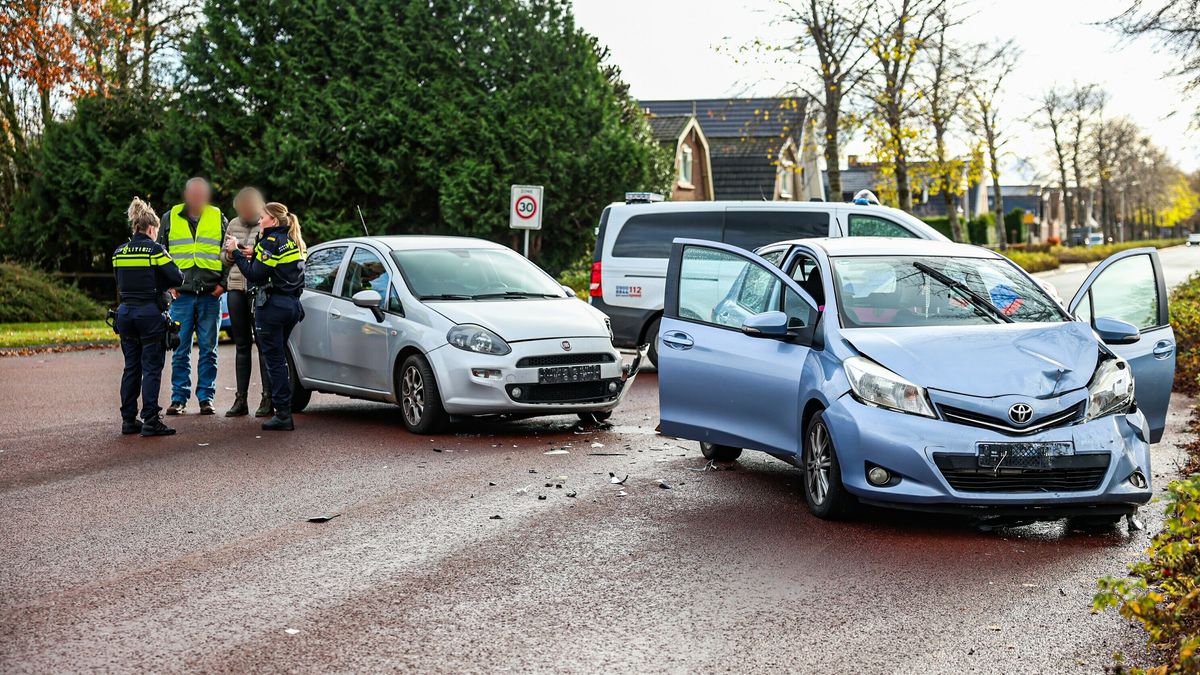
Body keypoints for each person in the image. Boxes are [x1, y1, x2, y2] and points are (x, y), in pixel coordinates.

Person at [226, 201, 306, 431]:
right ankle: (282, 409)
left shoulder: (269, 242)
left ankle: (283, 414)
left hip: (272, 307)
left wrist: (235, 252)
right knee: (279, 358)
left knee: (275, 361)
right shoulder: (292, 240)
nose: (260, 221)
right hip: (292, 306)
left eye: (262, 217)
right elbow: (275, 266)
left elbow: (254, 274)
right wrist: (252, 253)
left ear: (273, 220)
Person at [113, 198, 184, 437]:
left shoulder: (119, 252)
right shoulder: (155, 250)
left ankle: (128, 420)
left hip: (125, 314)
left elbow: (120, 280)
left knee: (131, 367)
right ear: (151, 228)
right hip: (149, 314)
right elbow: (177, 277)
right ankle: (151, 420)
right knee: (151, 367)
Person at [159, 177, 228, 416]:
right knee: (180, 350)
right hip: (182, 297)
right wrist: (169, 287)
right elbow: (160, 254)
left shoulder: (218, 217)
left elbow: (229, 253)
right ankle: (179, 398)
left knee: (209, 350)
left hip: (210, 295)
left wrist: (223, 285)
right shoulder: (170, 217)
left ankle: (206, 398)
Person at [223, 187, 273, 418]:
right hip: (235, 289)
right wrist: (231, 253)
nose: (242, 214)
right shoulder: (233, 224)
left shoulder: (266, 223)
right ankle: (240, 399)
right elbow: (223, 257)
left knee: (263, 345)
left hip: (257, 289)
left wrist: (253, 253)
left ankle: (267, 397)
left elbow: (270, 255)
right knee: (241, 345)